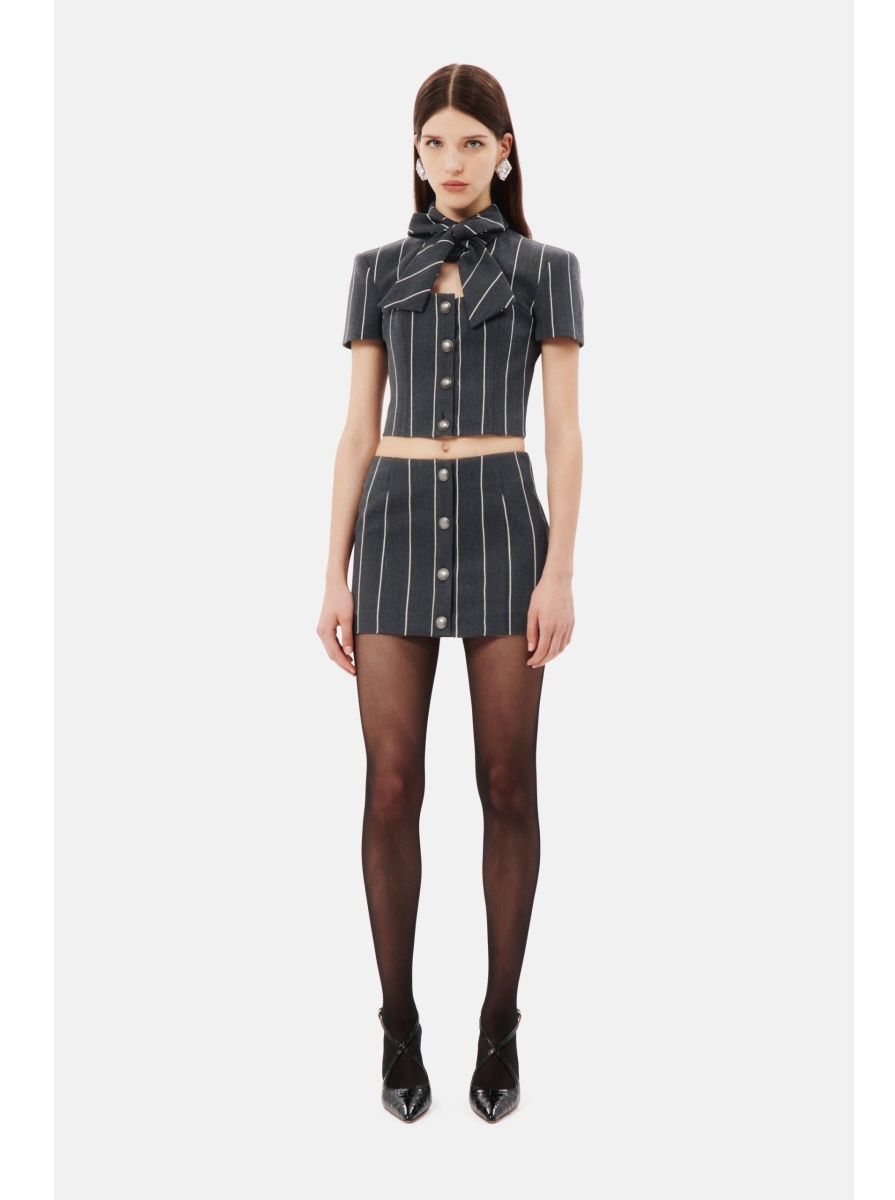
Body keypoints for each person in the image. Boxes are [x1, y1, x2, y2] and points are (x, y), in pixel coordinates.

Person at [317, 63, 584, 1123]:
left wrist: (560, 569)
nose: (454, 161)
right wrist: (331, 573)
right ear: (416, 153)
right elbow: (356, 431)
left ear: (505, 152)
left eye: (474, 142)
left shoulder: (546, 270)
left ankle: (501, 1020)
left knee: (507, 781)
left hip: (505, 531)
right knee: (390, 787)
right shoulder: (375, 270)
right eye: (436, 142)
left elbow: (564, 434)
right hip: (389, 534)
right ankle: (397, 1024)